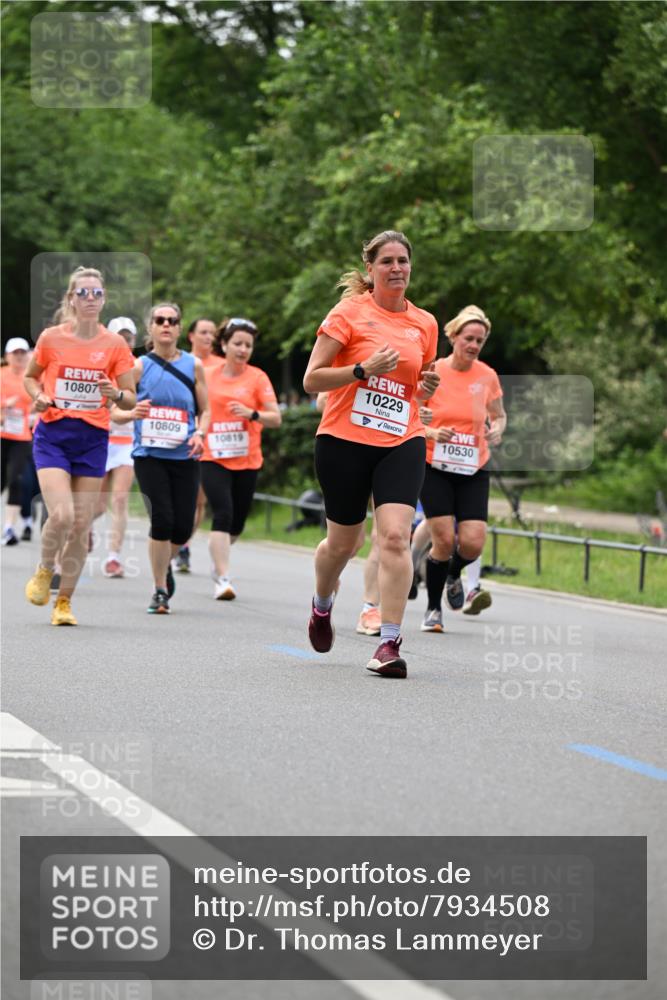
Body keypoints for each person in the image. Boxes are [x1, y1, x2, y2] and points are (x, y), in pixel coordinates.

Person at [303, 230, 439, 678]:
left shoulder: (425, 323)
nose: (396, 268)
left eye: (403, 261)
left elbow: (414, 386)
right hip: (343, 440)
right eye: (387, 261)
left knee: (396, 537)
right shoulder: (348, 313)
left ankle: (388, 642)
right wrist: (361, 369)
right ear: (371, 270)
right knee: (344, 543)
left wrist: (425, 388)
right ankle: (323, 603)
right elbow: (312, 379)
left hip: (401, 439)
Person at [23, 267, 136, 625]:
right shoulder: (51, 338)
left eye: (97, 293)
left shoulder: (114, 344)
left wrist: (115, 394)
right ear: (71, 298)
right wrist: (39, 396)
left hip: (92, 440)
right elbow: (29, 377)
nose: (90, 299)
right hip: (54, 435)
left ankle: (64, 603)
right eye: (83, 293)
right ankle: (44, 568)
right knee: (64, 515)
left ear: (104, 299)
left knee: (81, 524)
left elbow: (130, 398)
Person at [419, 304, 506, 633]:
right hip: (434, 463)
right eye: (468, 338)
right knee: (442, 539)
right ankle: (433, 609)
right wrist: (431, 431)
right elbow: (413, 415)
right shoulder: (433, 371)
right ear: (453, 336)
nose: (473, 345)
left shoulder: (487, 376)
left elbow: (498, 415)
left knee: (472, 543)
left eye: (479, 341)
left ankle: (453, 574)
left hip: (473, 466)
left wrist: (497, 428)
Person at [131, 302, 210, 614]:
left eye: (172, 320)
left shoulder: (194, 366)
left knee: (181, 527)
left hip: (184, 453)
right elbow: (119, 407)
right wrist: (128, 411)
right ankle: (159, 590)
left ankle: (163, 564)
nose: (166, 325)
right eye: (159, 320)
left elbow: (206, 410)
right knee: (161, 519)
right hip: (149, 454)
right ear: (150, 328)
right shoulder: (139, 366)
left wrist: (199, 433)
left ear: (179, 328)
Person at [200, 317, 281, 600]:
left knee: (236, 524)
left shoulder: (257, 377)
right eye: (237, 344)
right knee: (222, 512)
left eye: (248, 345)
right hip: (212, 456)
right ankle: (223, 578)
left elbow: (276, 418)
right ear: (223, 345)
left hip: (247, 458)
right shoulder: (207, 375)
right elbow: (194, 407)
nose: (243, 349)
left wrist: (252, 414)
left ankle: (217, 558)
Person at [173, 317, 223, 573]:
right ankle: (175, 538)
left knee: (199, 501)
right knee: (184, 496)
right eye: (203, 332)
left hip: (212, 438)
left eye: (212, 333)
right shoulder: (181, 362)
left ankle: (183, 544)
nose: (208, 337)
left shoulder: (223, 365)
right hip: (180, 434)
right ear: (191, 335)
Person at [94, 317, 138, 578]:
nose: (124, 342)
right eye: (119, 336)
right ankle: (82, 530)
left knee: (120, 500)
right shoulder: (100, 364)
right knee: (97, 506)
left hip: (127, 442)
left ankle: (113, 557)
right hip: (102, 438)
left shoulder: (139, 367)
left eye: (128, 337)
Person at [1, 338, 35, 546]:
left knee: (16, 480)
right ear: (7, 356)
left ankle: (9, 528)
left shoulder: (31, 379)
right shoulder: (1, 375)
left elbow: (38, 404)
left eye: (23, 353)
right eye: (16, 353)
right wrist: (5, 405)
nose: (20, 357)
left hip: (21, 437)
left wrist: (36, 410)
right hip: (1, 434)